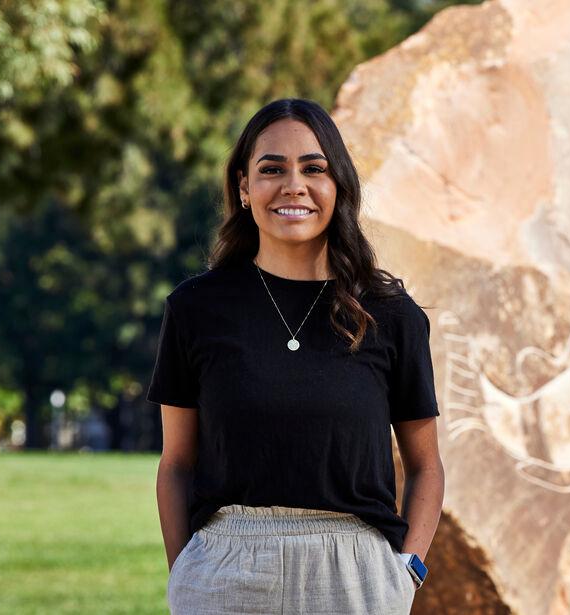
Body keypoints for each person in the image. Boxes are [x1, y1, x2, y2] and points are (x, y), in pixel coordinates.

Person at [149, 98, 444, 614]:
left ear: (339, 186)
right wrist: (185, 574)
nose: (293, 186)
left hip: (356, 579)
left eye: (313, 169)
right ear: (244, 187)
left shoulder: (391, 316)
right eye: (272, 169)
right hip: (225, 574)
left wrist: (407, 572)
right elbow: (176, 464)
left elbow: (426, 466)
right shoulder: (196, 309)